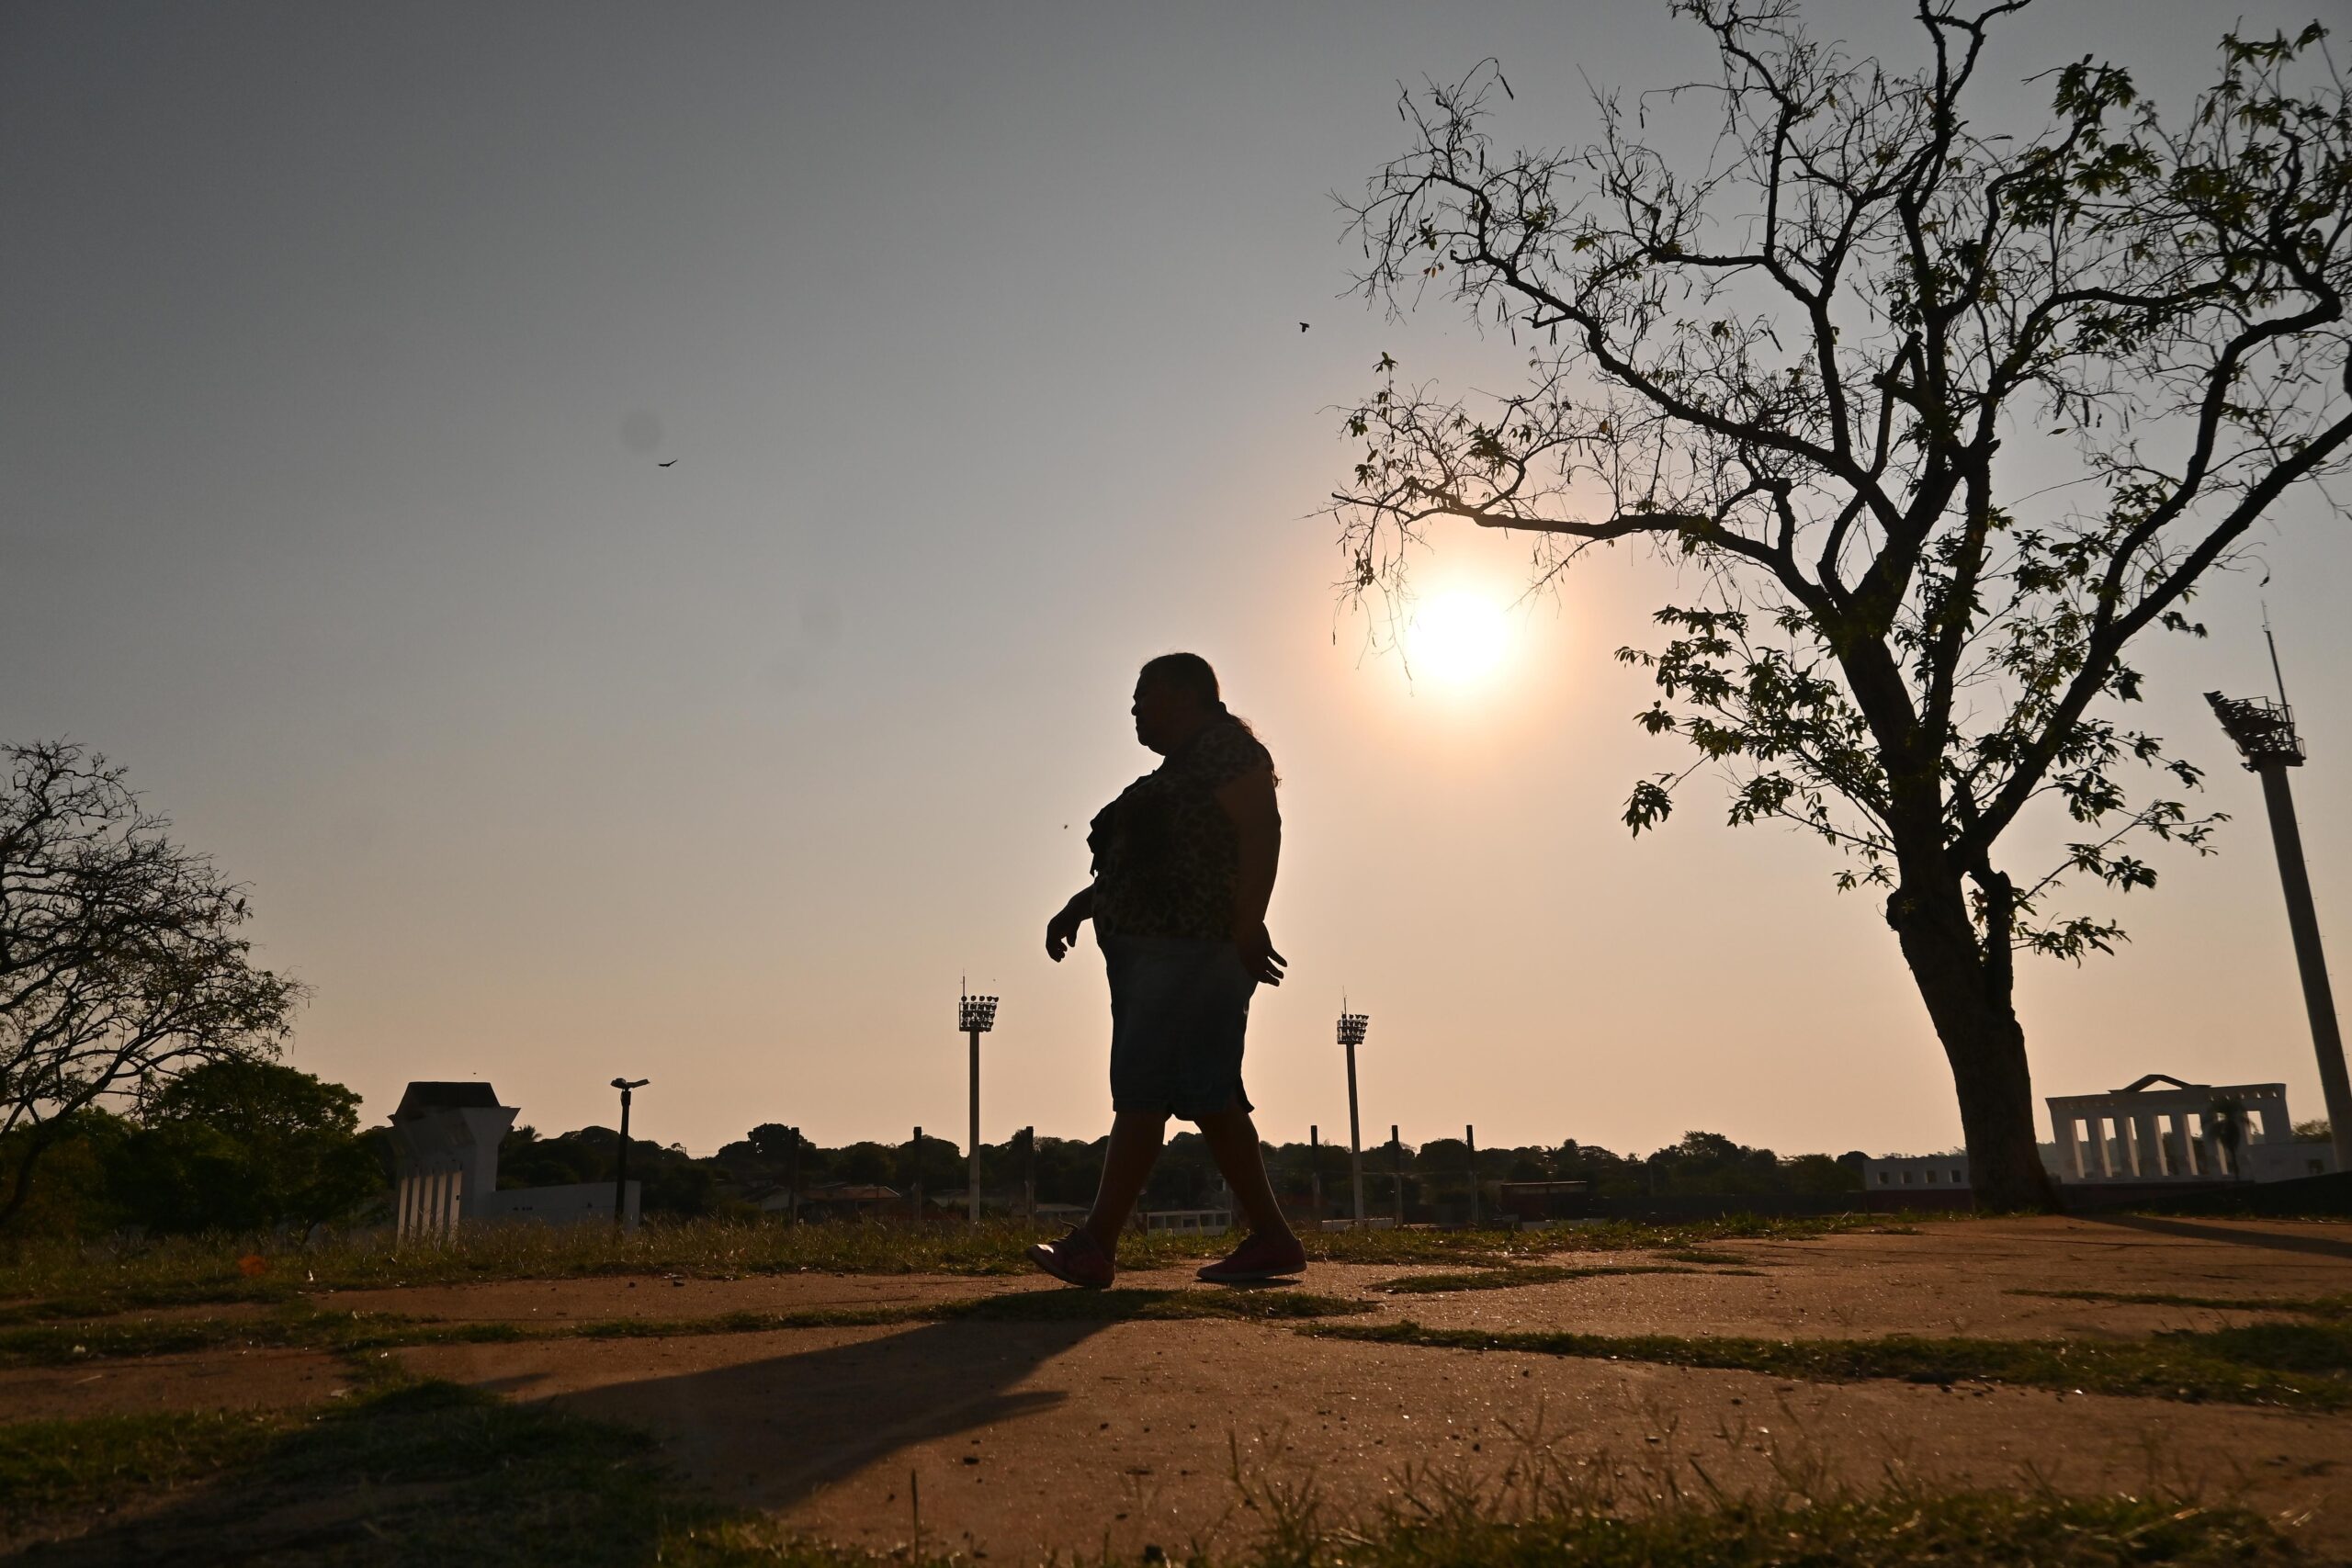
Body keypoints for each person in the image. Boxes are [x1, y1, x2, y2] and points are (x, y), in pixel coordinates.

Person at [1028, 652, 1306, 1288]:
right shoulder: (1183, 769)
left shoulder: (1227, 751)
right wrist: (1081, 905)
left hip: (1190, 953)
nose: (1133, 710)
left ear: (1184, 695)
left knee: (1146, 1088)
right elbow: (1150, 861)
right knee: (1206, 1094)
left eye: (1141, 696)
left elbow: (1263, 829)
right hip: (1166, 955)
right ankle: (1273, 1238)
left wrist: (1247, 922)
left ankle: (1095, 1243)